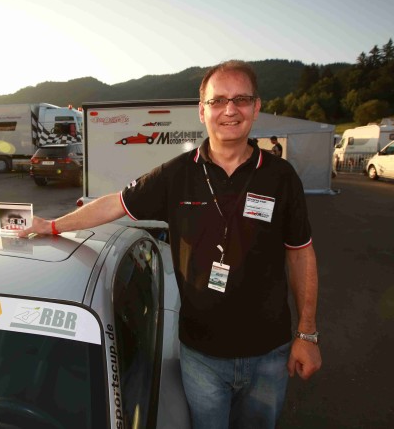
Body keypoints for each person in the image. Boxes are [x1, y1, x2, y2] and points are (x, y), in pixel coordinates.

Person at [18, 60, 321, 429]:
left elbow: (301, 252)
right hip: (202, 356)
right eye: (218, 100)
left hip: (268, 354)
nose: (230, 109)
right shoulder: (177, 174)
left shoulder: (281, 177)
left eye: (241, 99)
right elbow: (116, 203)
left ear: (256, 108)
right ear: (202, 110)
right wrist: (52, 225)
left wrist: (307, 334)